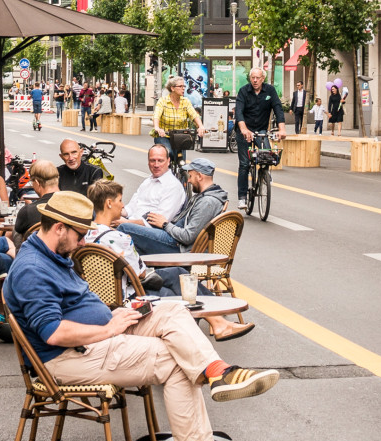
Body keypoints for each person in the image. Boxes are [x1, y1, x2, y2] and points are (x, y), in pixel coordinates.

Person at [3, 190, 279, 441]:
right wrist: (107, 328)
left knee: (172, 311)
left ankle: (218, 371)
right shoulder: (33, 269)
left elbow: (69, 309)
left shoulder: (51, 254)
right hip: (67, 357)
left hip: (97, 335)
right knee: (177, 362)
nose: (84, 242)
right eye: (81, 235)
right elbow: (53, 332)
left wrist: (110, 318)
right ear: (59, 228)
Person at [89, 180, 253, 341]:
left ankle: (218, 323)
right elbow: (141, 274)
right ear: (109, 203)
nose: (123, 205)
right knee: (180, 291)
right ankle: (215, 325)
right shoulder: (120, 238)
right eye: (120, 200)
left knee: (178, 275)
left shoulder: (85, 236)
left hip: (101, 297)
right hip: (130, 298)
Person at [117, 158, 227, 256]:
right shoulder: (204, 196)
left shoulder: (207, 202)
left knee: (125, 228)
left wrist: (165, 224)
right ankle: (139, 272)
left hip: (179, 246)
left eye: (190, 176)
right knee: (138, 232)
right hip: (174, 237)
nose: (188, 180)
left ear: (199, 176)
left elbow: (188, 237)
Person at [233, 68, 286, 210]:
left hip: (261, 129)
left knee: (266, 155)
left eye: (258, 78)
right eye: (253, 78)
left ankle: (265, 175)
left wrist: (282, 129)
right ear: (250, 79)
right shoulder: (244, 91)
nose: (255, 80)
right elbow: (239, 111)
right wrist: (244, 129)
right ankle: (242, 197)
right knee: (244, 164)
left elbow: (278, 109)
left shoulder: (270, 91)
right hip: (244, 129)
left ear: (263, 78)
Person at [115, 145, 186, 227]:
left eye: (160, 161)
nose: (156, 165)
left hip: (152, 231)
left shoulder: (173, 187)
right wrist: (111, 210)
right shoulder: (148, 181)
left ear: (168, 161)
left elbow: (157, 223)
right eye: (152, 160)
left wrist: (126, 223)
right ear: (148, 162)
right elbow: (130, 209)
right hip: (131, 223)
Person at [153, 76, 207, 164]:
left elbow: (194, 115)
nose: (183, 88)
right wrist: (157, 127)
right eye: (180, 86)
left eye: (184, 86)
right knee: (168, 153)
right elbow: (157, 115)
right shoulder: (163, 101)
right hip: (164, 136)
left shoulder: (185, 101)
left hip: (180, 136)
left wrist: (201, 126)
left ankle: (181, 174)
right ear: (172, 88)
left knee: (182, 161)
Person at [13, 160, 60, 245]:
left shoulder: (28, 211)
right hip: (69, 256)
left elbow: (18, 232)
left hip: (37, 256)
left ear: (37, 183)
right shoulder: (72, 204)